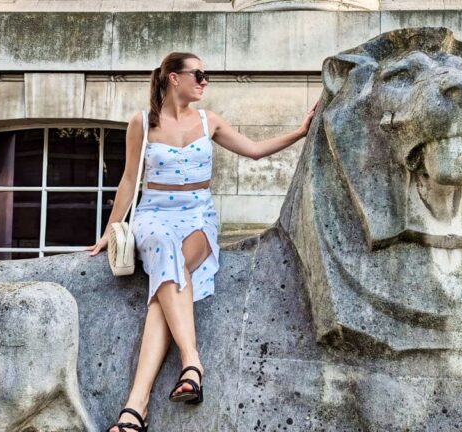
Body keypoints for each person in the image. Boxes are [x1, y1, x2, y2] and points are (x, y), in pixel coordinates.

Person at [86, 52, 318, 432]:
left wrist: (300, 130)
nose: (205, 81)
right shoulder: (141, 123)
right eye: (199, 74)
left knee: (169, 276)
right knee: (164, 250)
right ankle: (191, 363)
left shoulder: (210, 121)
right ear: (173, 78)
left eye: (205, 75)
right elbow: (129, 181)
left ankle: (135, 409)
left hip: (198, 219)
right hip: (154, 216)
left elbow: (255, 150)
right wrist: (109, 231)